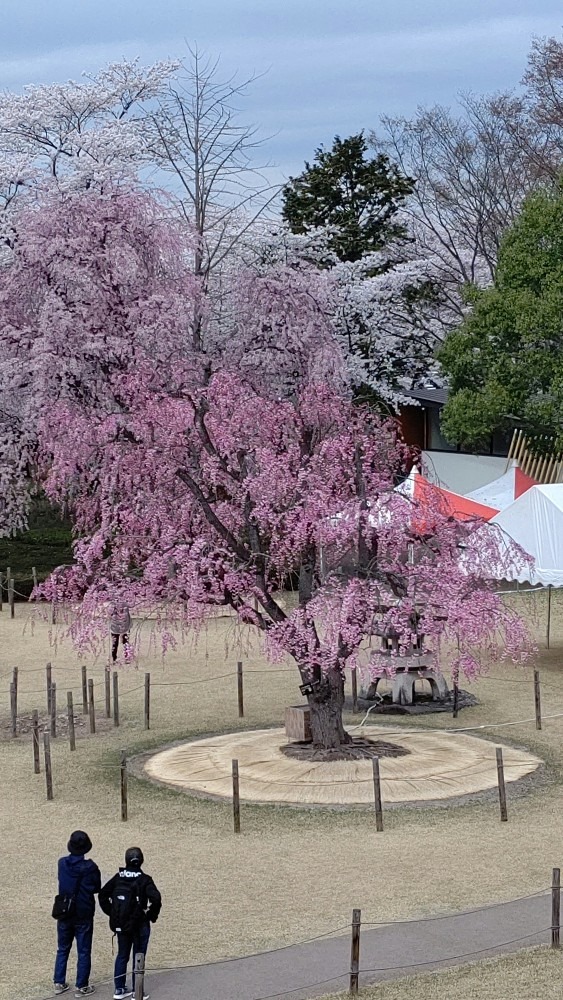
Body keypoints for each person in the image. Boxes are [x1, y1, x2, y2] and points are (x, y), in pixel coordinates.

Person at [99, 847, 161, 1000]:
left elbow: (102, 895)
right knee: (138, 955)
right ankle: (136, 991)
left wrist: (113, 913)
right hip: (140, 924)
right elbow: (156, 899)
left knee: (122, 955)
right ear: (141, 860)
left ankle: (119, 989)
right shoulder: (145, 879)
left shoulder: (118, 877)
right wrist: (151, 915)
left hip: (122, 924)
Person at [53, 830, 101, 997]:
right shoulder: (91, 868)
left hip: (65, 911)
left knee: (63, 948)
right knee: (84, 950)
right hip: (84, 912)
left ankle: (59, 982)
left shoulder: (62, 864)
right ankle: (82, 985)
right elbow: (96, 887)